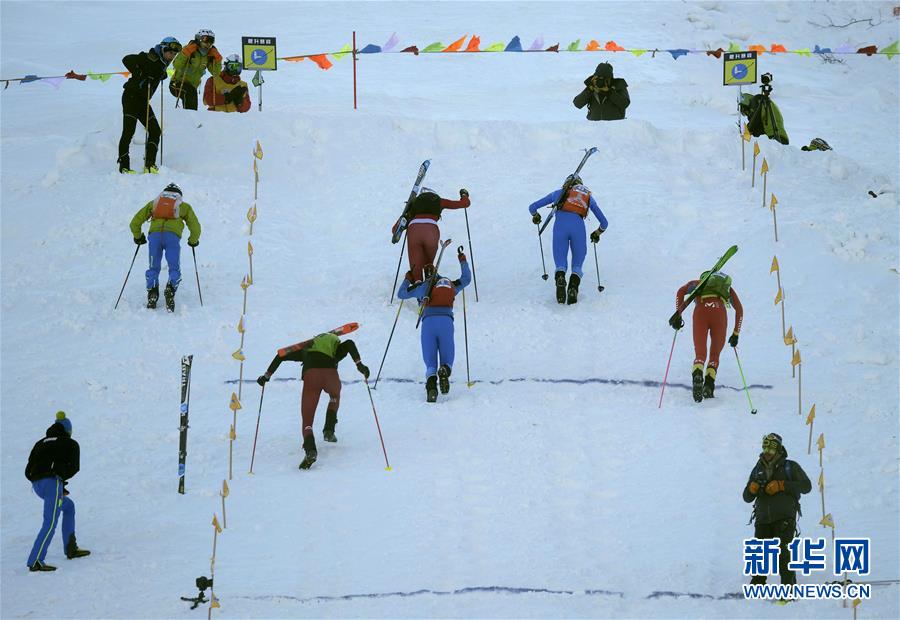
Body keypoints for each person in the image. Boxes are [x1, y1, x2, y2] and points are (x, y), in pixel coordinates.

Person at [257, 334, 370, 470]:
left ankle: (310, 450)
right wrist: (359, 364)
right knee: (334, 397)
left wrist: (266, 376)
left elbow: (281, 355)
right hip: (330, 376)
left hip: (312, 377)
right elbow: (350, 343)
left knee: (307, 421)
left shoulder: (306, 349)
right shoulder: (336, 348)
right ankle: (329, 429)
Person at [397, 247, 472, 402]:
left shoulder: (423, 287)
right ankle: (444, 370)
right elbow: (466, 279)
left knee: (430, 363)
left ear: (426, 275)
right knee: (447, 358)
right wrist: (462, 258)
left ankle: (431, 388)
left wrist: (408, 278)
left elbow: (401, 294)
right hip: (446, 322)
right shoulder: (450, 285)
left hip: (428, 323)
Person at [742, 433, 811, 587]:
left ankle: (788, 588)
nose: (767, 451)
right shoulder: (757, 468)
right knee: (759, 552)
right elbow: (746, 497)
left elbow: (807, 486)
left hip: (784, 517)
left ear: (779, 449)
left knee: (782, 552)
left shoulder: (790, 466)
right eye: (765, 446)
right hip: (762, 519)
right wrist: (751, 489)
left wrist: (782, 485)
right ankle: (757, 586)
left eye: (771, 448)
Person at [25, 412, 90, 572]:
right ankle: (36, 561)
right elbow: (74, 467)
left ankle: (71, 548)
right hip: (52, 484)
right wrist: (58, 481)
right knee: (50, 522)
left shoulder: (39, 443)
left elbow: (28, 470)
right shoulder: (70, 443)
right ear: (68, 430)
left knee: (68, 506)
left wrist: (47, 482)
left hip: (38, 486)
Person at [528, 175, 608, 304]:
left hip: (560, 228)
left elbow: (532, 207)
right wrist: (597, 233)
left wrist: (536, 216)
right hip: (578, 229)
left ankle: (560, 278)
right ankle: (573, 286)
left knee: (560, 263)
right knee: (577, 264)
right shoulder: (588, 198)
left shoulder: (558, 194)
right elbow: (604, 223)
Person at [669, 270, 743, 402]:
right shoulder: (726, 288)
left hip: (701, 312)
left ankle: (697, 374)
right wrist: (736, 333)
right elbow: (739, 309)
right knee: (714, 355)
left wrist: (678, 314)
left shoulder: (698, 283)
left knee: (700, 354)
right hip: (719, 313)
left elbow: (680, 291)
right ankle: (709, 384)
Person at [129, 183, 201, 312]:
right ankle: (171, 289)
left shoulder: (154, 204)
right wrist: (193, 240)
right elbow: (195, 226)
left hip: (155, 237)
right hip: (172, 238)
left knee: (153, 266)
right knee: (174, 267)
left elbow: (135, 222)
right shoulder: (184, 206)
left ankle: (152, 293)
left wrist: (138, 236)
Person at [118, 37, 181, 174]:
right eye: (170, 53)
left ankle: (149, 165)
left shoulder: (161, 65)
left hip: (143, 101)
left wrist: (160, 73)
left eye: (174, 54)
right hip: (131, 97)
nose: (172, 56)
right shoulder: (148, 58)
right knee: (129, 131)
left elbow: (157, 72)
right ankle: (124, 166)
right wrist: (140, 70)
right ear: (163, 49)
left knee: (155, 131)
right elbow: (126, 59)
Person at [391, 188, 470, 281]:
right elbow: (465, 204)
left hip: (414, 229)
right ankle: (429, 279)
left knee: (416, 270)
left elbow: (394, 230)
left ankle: (418, 283)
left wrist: (405, 220)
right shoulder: (439, 201)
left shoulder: (413, 203)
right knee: (428, 265)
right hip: (431, 230)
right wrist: (464, 195)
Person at [170, 29, 222, 110]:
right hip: (177, 83)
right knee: (190, 93)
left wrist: (218, 59)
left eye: (211, 41)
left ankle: (190, 117)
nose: (208, 44)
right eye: (205, 39)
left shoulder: (208, 56)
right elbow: (177, 65)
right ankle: (189, 116)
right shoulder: (189, 50)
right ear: (198, 39)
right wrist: (186, 52)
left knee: (191, 95)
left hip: (192, 86)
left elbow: (216, 73)